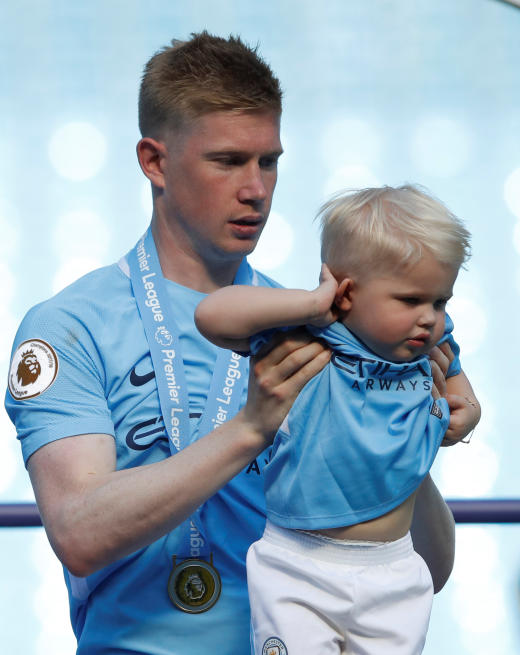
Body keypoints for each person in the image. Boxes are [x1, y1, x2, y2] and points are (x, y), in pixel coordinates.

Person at [4, 32, 478, 654]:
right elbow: (80, 533)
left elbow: (430, 571)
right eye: (227, 161)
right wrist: (253, 427)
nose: (255, 189)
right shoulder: (69, 326)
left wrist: (401, 423)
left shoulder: (327, 334)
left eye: (269, 161)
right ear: (155, 161)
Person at [194, 184, 480, 654]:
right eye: (410, 300)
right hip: (299, 564)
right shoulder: (313, 335)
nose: (430, 318)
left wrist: (467, 413)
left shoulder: (430, 344)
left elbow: (459, 386)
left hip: (394, 568)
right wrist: (310, 303)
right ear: (345, 293)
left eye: (440, 300)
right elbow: (212, 316)